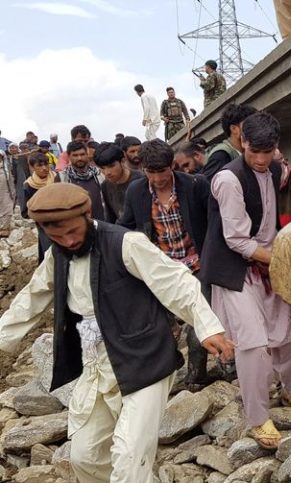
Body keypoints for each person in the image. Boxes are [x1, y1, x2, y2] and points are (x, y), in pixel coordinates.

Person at [0, 183, 234, 482]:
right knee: (85, 456)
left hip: (144, 361)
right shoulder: (57, 254)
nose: (68, 241)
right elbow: (31, 298)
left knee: (128, 460)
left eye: (73, 232)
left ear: (87, 214)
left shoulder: (125, 243)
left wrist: (208, 327)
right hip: (97, 365)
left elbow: (176, 282)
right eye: (57, 237)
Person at [200, 111, 291, 449]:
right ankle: (259, 417)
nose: (261, 160)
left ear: (276, 147)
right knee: (254, 344)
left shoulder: (275, 167)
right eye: (254, 152)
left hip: (269, 260)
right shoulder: (228, 179)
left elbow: (282, 186)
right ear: (241, 141)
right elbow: (236, 240)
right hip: (235, 268)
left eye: (268, 152)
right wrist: (279, 258)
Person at [119, 139, 212, 387]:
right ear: (143, 170)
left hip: (197, 266)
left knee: (198, 323)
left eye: (162, 171)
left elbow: (214, 223)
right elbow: (125, 228)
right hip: (162, 269)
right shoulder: (136, 192)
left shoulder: (195, 185)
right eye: (152, 172)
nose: (158, 178)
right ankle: (168, 373)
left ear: (172, 166)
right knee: (161, 327)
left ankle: (197, 378)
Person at [200, 103, 257, 181]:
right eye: (250, 125)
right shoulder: (221, 155)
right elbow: (208, 189)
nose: (256, 129)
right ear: (234, 129)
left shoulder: (245, 152)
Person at [22, 152, 59, 262]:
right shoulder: (29, 185)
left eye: (46, 164)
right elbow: (25, 212)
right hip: (44, 225)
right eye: (40, 165)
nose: (44, 168)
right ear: (32, 167)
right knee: (49, 253)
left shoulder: (57, 178)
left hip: (62, 220)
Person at [94, 142, 143, 223]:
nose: (107, 172)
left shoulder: (140, 180)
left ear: (122, 161)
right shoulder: (105, 186)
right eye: (102, 168)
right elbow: (110, 217)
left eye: (111, 166)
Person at [60, 141, 106, 221]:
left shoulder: (99, 174)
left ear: (87, 154)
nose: (79, 158)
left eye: (82, 154)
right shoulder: (62, 177)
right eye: (75, 155)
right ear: (69, 156)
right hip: (76, 225)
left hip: (102, 223)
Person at [0, 149, 14, 237]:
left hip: (5, 192)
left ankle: (4, 229)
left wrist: (13, 193)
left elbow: (11, 182)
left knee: (7, 210)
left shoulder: (6, 168)